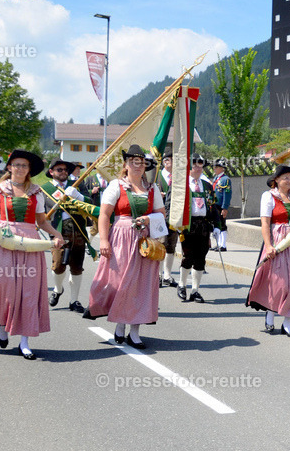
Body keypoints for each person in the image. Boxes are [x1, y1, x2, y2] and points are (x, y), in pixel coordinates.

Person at [0, 150, 65, 360]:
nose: (21, 169)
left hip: (30, 243)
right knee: (7, 288)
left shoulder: (36, 192)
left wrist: (56, 233)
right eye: (17, 165)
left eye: (24, 166)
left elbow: (41, 221)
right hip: (5, 241)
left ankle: (25, 341)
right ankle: (3, 326)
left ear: (29, 170)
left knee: (29, 292)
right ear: (9, 167)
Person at [83, 144, 166, 348]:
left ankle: (135, 332)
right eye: (133, 162)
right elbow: (104, 214)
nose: (137, 166)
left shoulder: (152, 188)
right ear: (126, 164)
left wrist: (147, 219)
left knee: (142, 284)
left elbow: (162, 215)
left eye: (140, 162)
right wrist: (103, 240)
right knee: (123, 283)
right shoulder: (115, 186)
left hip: (144, 242)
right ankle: (120, 326)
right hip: (121, 236)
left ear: (145, 166)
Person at [246, 165, 290, 337]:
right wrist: (268, 245)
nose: (289, 181)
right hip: (278, 241)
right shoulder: (268, 197)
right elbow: (265, 223)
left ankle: (287, 323)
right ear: (276, 180)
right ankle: (270, 313)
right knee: (278, 282)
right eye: (285, 178)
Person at [41, 158, 98, 312]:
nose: (64, 172)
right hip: (58, 231)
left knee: (77, 267)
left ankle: (74, 301)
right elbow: (41, 213)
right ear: (51, 172)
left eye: (66, 170)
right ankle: (58, 289)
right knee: (58, 266)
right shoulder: (45, 189)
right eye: (59, 170)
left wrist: (78, 196)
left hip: (77, 229)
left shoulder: (77, 185)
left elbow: (90, 204)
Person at [177, 154, 215, 303]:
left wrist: (216, 227)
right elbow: (171, 205)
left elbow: (212, 207)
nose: (198, 168)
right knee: (188, 256)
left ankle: (195, 290)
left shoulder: (207, 185)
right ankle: (181, 284)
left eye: (200, 165)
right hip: (187, 225)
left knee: (201, 258)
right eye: (195, 165)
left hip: (203, 225)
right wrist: (175, 224)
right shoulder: (181, 184)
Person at [155, 151, 180, 287]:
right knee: (160, 245)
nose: (171, 162)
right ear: (164, 162)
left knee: (171, 245)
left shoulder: (177, 178)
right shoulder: (157, 177)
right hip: (159, 216)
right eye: (169, 160)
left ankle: (167, 275)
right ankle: (157, 275)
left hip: (174, 216)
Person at [211, 158, 232, 252]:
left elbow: (227, 195)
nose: (214, 169)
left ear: (222, 168)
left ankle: (223, 245)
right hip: (215, 205)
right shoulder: (216, 178)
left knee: (222, 224)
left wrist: (225, 207)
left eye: (216, 167)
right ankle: (218, 244)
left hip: (220, 205)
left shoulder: (225, 180)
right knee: (217, 224)